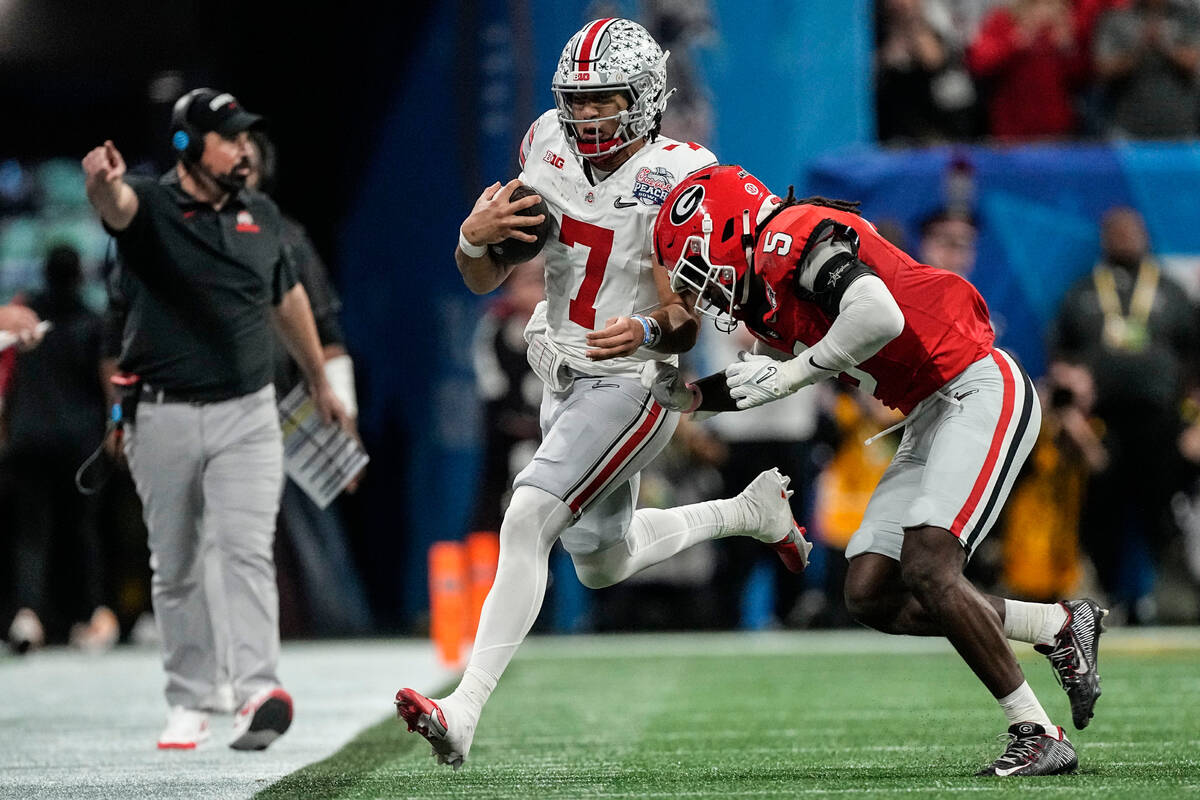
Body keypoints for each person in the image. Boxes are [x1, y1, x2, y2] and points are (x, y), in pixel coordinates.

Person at [394, 18, 810, 770]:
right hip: (560, 367)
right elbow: (483, 276)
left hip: (631, 381)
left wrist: (647, 334)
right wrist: (470, 237)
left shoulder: (682, 174)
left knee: (526, 518)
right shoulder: (543, 144)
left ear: (646, 97)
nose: (585, 117)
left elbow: (683, 320)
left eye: (603, 101)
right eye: (576, 102)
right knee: (603, 562)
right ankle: (749, 511)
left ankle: (464, 709)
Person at [647, 164, 1107, 777]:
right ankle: (1055, 623)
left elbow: (877, 316)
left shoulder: (795, 238)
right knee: (871, 593)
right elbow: (764, 374)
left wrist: (789, 372)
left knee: (927, 563)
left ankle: (1036, 729)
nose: (703, 294)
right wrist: (689, 399)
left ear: (730, 231)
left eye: (700, 273)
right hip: (926, 411)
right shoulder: (766, 294)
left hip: (977, 385)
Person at [81, 87, 347, 751]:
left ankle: (258, 689)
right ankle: (189, 699)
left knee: (246, 551)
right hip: (165, 415)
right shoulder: (152, 205)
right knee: (175, 564)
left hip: (249, 414)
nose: (244, 149)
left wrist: (319, 381)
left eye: (246, 137)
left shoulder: (261, 213)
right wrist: (100, 184)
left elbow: (287, 300)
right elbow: (116, 207)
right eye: (229, 138)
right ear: (188, 147)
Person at [1048, 206, 1198, 623]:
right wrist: (1073, 419)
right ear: (1102, 238)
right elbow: (1061, 359)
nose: (1124, 238)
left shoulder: (1171, 292)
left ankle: (1174, 595)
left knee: (1167, 511)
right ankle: (1103, 597)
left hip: (1164, 422)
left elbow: (1194, 355)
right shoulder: (1081, 293)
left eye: (1131, 230)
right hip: (1101, 425)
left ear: (1146, 235)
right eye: (1115, 231)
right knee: (1101, 510)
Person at [2, 245, 116, 654]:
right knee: (82, 530)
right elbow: (109, 378)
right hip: (79, 442)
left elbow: (8, 377)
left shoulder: (22, 318)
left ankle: (27, 616)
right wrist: (115, 424)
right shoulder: (93, 320)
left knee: (30, 533)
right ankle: (91, 616)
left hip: (29, 437)